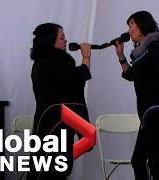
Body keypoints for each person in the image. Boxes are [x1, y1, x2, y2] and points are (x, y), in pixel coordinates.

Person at [114, 11, 159, 180]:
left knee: (153, 163)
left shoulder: (153, 46)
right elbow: (132, 75)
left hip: (155, 112)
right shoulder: (142, 54)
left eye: (131, 24)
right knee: (138, 160)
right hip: (149, 114)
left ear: (141, 27)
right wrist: (121, 55)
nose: (128, 29)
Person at [28, 23, 92, 180]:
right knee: (52, 168)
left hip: (46, 122)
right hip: (56, 122)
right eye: (62, 38)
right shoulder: (56, 61)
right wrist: (86, 56)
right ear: (52, 41)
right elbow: (80, 75)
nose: (65, 41)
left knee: (45, 164)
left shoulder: (39, 63)